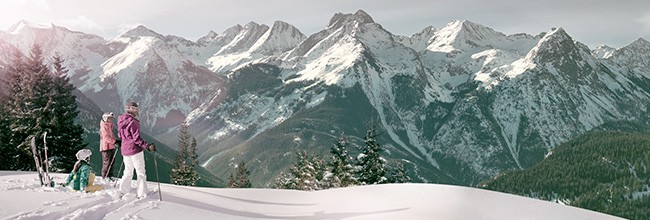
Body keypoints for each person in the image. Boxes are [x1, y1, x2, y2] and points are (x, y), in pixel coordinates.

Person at [117, 101, 156, 198]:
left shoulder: (120, 120)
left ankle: (122, 191)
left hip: (125, 149)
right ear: (133, 110)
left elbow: (119, 135)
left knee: (128, 171)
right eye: (136, 110)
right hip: (134, 150)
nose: (137, 112)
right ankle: (142, 193)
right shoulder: (133, 122)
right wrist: (147, 146)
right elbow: (136, 139)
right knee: (140, 171)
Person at [100, 112, 119, 180]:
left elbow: (111, 136)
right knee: (107, 162)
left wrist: (116, 141)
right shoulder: (104, 126)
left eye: (111, 118)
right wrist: (115, 142)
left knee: (111, 162)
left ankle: (110, 176)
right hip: (106, 147)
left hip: (111, 146)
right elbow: (106, 137)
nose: (110, 120)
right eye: (109, 118)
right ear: (105, 118)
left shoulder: (109, 126)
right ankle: (105, 176)